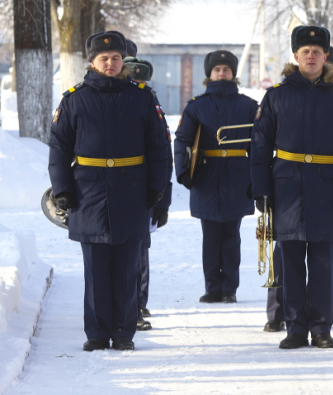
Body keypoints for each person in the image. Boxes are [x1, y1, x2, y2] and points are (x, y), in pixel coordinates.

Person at [48, 31, 168, 351]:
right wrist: (63, 189)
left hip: (132, 190)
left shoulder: (142, 97)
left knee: (127, 267)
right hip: (88, 193)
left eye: (116, 58)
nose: (111, 63)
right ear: (92, 62)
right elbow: (59, 148)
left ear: (123, 60)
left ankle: (124, 332)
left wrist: (157, 189)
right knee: (96, 268)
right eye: (104, 58)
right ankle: (98, 332)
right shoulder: (74, 99)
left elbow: (159, 147)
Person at [251, 25, 333, 349]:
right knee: (291, 264)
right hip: (287, 190)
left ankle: (322, 328)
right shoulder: (276, 96)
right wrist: (261, 190)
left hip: (328, 190)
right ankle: (296, 328)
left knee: (323, 265)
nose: (311, 56)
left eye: (317, 52)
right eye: (305, 51)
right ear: (296, 56)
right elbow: (259, 147)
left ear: (326, 57)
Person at [174, 50, 258, 304]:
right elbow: (182, 140)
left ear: (233, 74)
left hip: (238, 176)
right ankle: (212, 287)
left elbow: (259, 145)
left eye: (226, 70)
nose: (222, 74)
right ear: (209, 74)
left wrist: (256, 178)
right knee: (210, 237)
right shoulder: (196, 106)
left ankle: (229, 288)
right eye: (217, 70)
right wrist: (183, 171)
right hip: (206, 175)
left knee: (232, 236)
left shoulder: (249, 105)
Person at [123, 54, 174, 330]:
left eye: (142, 82)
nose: (139, 87)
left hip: (144, 192)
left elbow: (164, 159)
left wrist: (163, 201)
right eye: (134, 81)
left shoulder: (152, 107)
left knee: (139, 253)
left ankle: (137, 305)